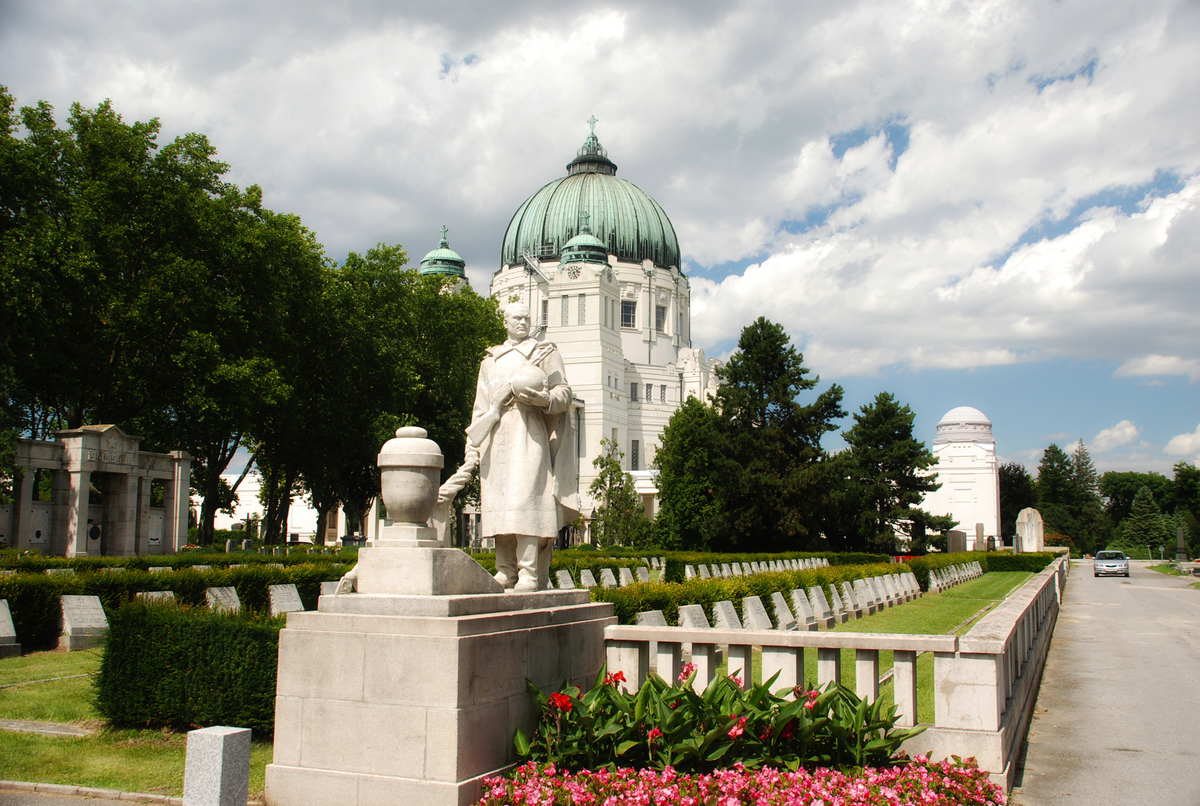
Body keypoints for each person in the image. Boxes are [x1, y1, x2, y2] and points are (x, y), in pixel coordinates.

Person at [467, 302, 577, 591]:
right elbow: (480, 408)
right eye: (517, 317)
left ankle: (529, 573)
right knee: (499, 503)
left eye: (528, 318)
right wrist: (473, 445)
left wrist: (544, 400)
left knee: (526, 500)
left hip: (530, 434)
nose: (523, 322)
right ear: (505, 321)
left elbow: (564, 392)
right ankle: (505, 570)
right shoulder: (490, 360)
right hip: (496, 436)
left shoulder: (544, 352)